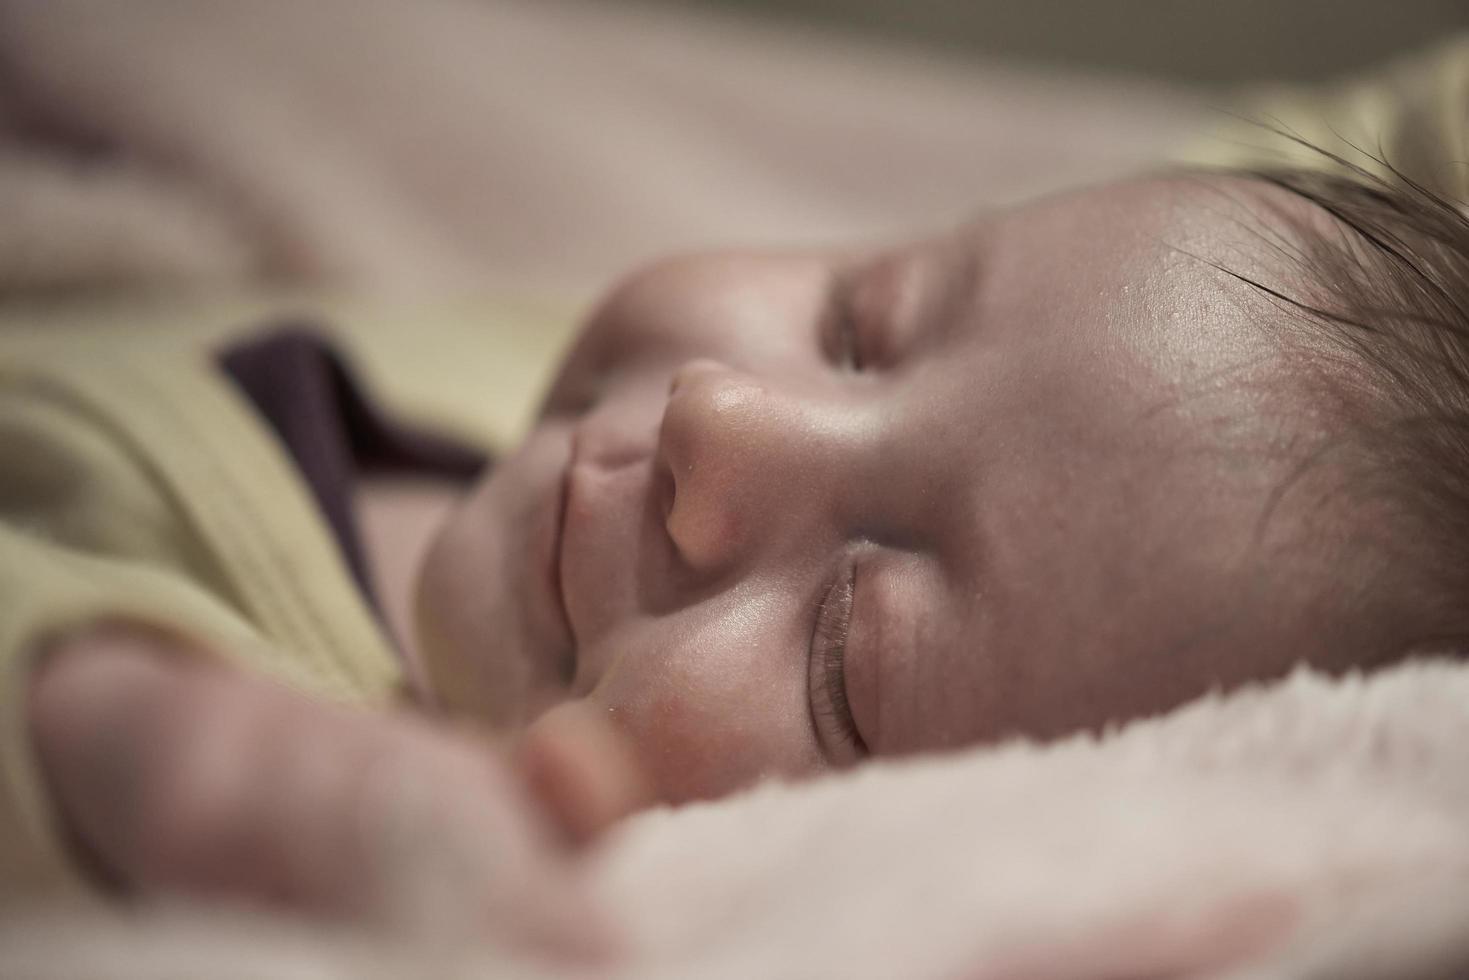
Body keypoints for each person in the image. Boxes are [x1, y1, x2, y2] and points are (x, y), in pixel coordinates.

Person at [5, 35, 1468, 953]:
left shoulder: (313, 752)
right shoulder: (543, 373)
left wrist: (141, 743)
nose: (724, 424)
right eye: (859, 323)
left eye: (843, 648)